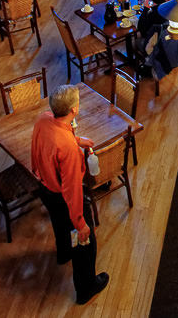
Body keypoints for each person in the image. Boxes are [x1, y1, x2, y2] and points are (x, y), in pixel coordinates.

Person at [31, 85, 109, 305]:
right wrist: (81, 223)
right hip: (63, 197)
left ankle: (63, 253)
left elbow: (46, 143)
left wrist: (76, 140)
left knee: (59, 224)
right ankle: (86, 288)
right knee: (85, 244)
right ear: (74, 109)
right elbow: (72, 190)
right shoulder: (68, 150)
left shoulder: (43, 119)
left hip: (44, 188)